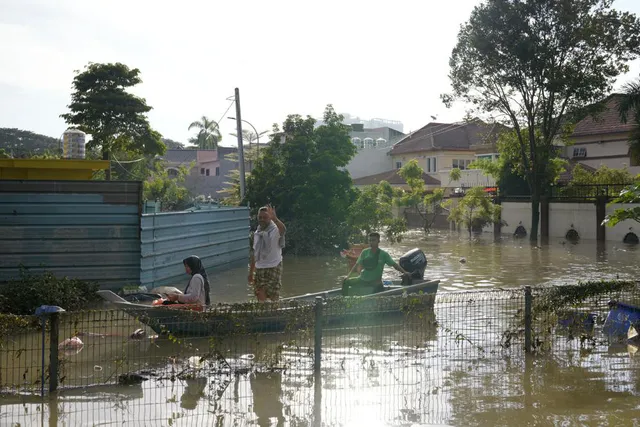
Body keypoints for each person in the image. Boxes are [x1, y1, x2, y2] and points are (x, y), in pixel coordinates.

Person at [342, 232, 409, 296]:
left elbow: (394, 265)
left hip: (375, 282)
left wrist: (404, 272)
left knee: (378, 292)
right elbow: (356, 266)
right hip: (362, 280)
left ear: (378, 241)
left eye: (373, 240)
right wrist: (348, 276)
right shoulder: (364, 252)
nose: (371, 242)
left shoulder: (383, 254)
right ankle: (344, 301)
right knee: (346, 282)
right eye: (370, 240)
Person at [249, 205, 286, 302]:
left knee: (273, 297)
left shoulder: (275, 229)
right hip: (260, 268)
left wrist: (275, 219)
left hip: (274, 266)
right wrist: (251, 272)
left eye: (265, 217)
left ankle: (274, 313)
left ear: (270, 218)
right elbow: (255, 253)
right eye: (260, 217)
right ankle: (264, 314)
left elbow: (283, 229)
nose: (262, 219)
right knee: (260, 293)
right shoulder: (257, 233)